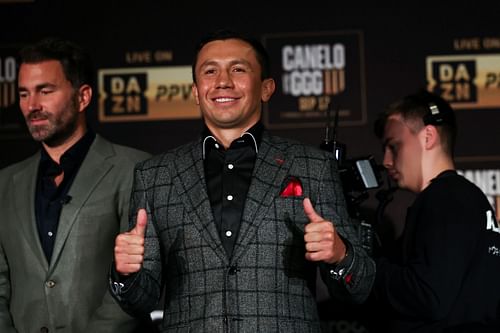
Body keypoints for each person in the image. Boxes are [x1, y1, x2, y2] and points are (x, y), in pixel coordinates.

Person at [109, 29, 375, 332]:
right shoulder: (156, 175)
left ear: (266, 88)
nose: (223, 81)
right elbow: (141, 301)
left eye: (238, 69)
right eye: (210, 71)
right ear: (196, 91)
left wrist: (340, 254)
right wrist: (126, 274)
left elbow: (360, 288)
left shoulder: (312, 166)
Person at [0, 37, 151, 333]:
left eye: (45, 91)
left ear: (82, 97)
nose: (32, 105)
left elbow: (139, 281)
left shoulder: (135, 169)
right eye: (23, 93)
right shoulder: (4, 184)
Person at [371, 90, 500, 332]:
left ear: (428, 136)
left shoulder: (445, 197)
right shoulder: (469, 198)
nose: (386, 160)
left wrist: (363, 269)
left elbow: (428, 296)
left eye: (393, 146)